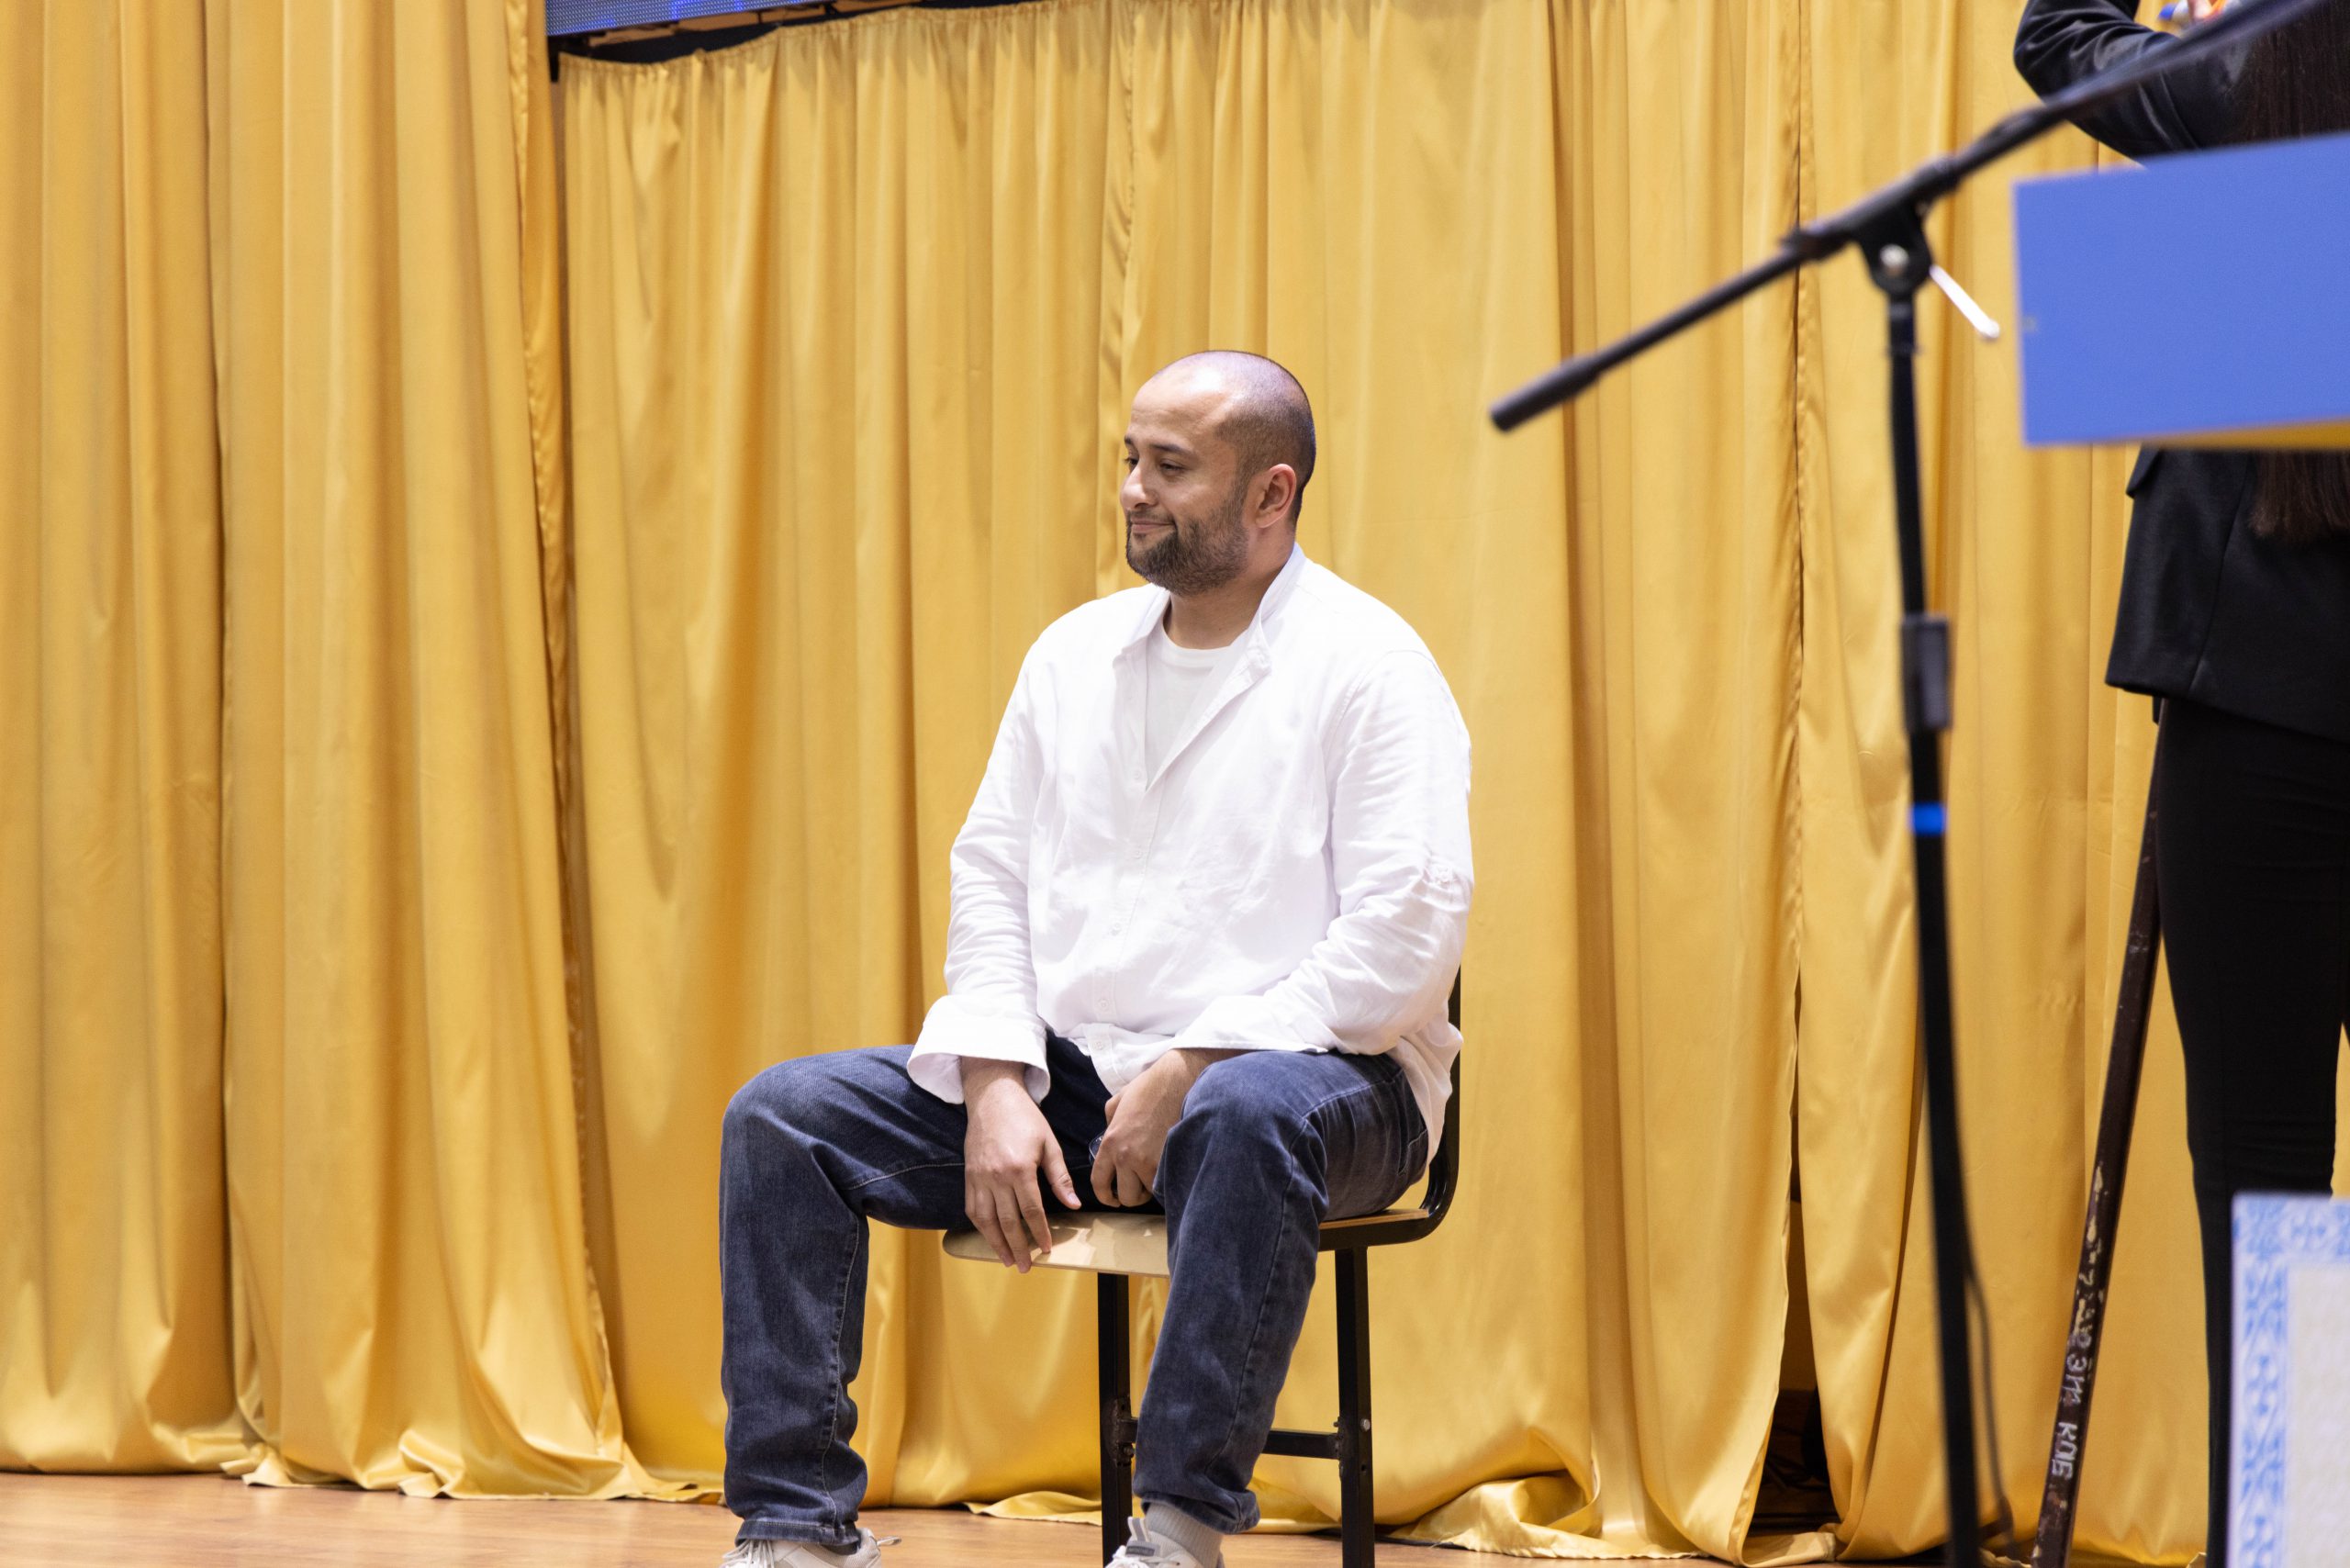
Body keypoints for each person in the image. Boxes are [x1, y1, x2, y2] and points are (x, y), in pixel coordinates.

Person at [715, 352, 1473, 1568]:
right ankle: (794, 1528)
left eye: (1170, 467)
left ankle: (1176, 1531)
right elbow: (991, 876)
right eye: (1130, 459)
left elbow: (1404, 943)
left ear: (1270, 494)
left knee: (1243, 1109)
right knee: (784, 1119)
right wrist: (994, 1083)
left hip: (1330, 1089)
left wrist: (1197, 1060)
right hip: (1089, 1082)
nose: (1132, 489)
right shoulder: (1071, 656)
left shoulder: (1372, 667)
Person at [2014, 4, 2350, 1562]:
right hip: (2263, 710)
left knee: (2272, 1188)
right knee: (2271, 1184)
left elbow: (2058, 37)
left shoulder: (2263, 74)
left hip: (2260, 709)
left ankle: (2293, 1539)